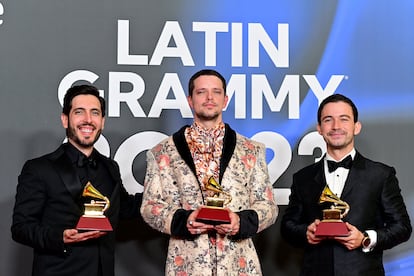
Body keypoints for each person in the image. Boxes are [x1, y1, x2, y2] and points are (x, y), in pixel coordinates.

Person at [140, 69, 278, 275]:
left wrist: (241, 222)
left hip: (238, 265)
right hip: (187, 265)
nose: (209, 98)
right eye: (201, 92)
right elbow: (150, 207)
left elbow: (268, 206)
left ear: (225, 100)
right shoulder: (162, 152)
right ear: (190, 100)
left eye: (216, 92)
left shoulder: (252, 150)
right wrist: (185, 221)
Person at [11, 85, 142, 276]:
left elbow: (125, 208)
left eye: (95, 113)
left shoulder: (110, 168)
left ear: (102, 121)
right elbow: (20, 228)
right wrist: (60, 237)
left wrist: (167, 194)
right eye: (79, 112)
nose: (88, 120)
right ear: (65, 119)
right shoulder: (39, 169)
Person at [281, 93, 412, 275]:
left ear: (356, 127)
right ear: (319, 128)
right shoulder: (303, 178)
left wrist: (365, 238)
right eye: (328, 120)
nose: (336, 126)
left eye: (344, 119)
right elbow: (288, 226)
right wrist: (306, 232)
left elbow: (402, 227)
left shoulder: (381, 174)